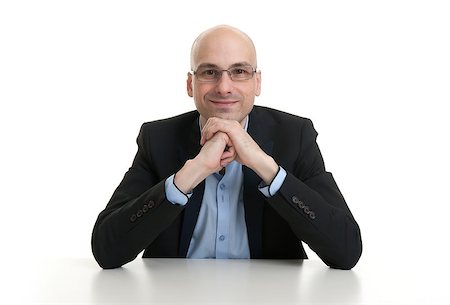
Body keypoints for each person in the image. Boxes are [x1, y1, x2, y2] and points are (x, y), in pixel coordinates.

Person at [91, 25, 362, 270]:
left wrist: (264, 166)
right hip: (173, 296)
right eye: (210, 72)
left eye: (239, 72)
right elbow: (107, 251)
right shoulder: (157, 138)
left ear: (257, 82)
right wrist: (190, 174)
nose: (224, 87)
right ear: (190, 84)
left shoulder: (295, 136)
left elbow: (346, 251)